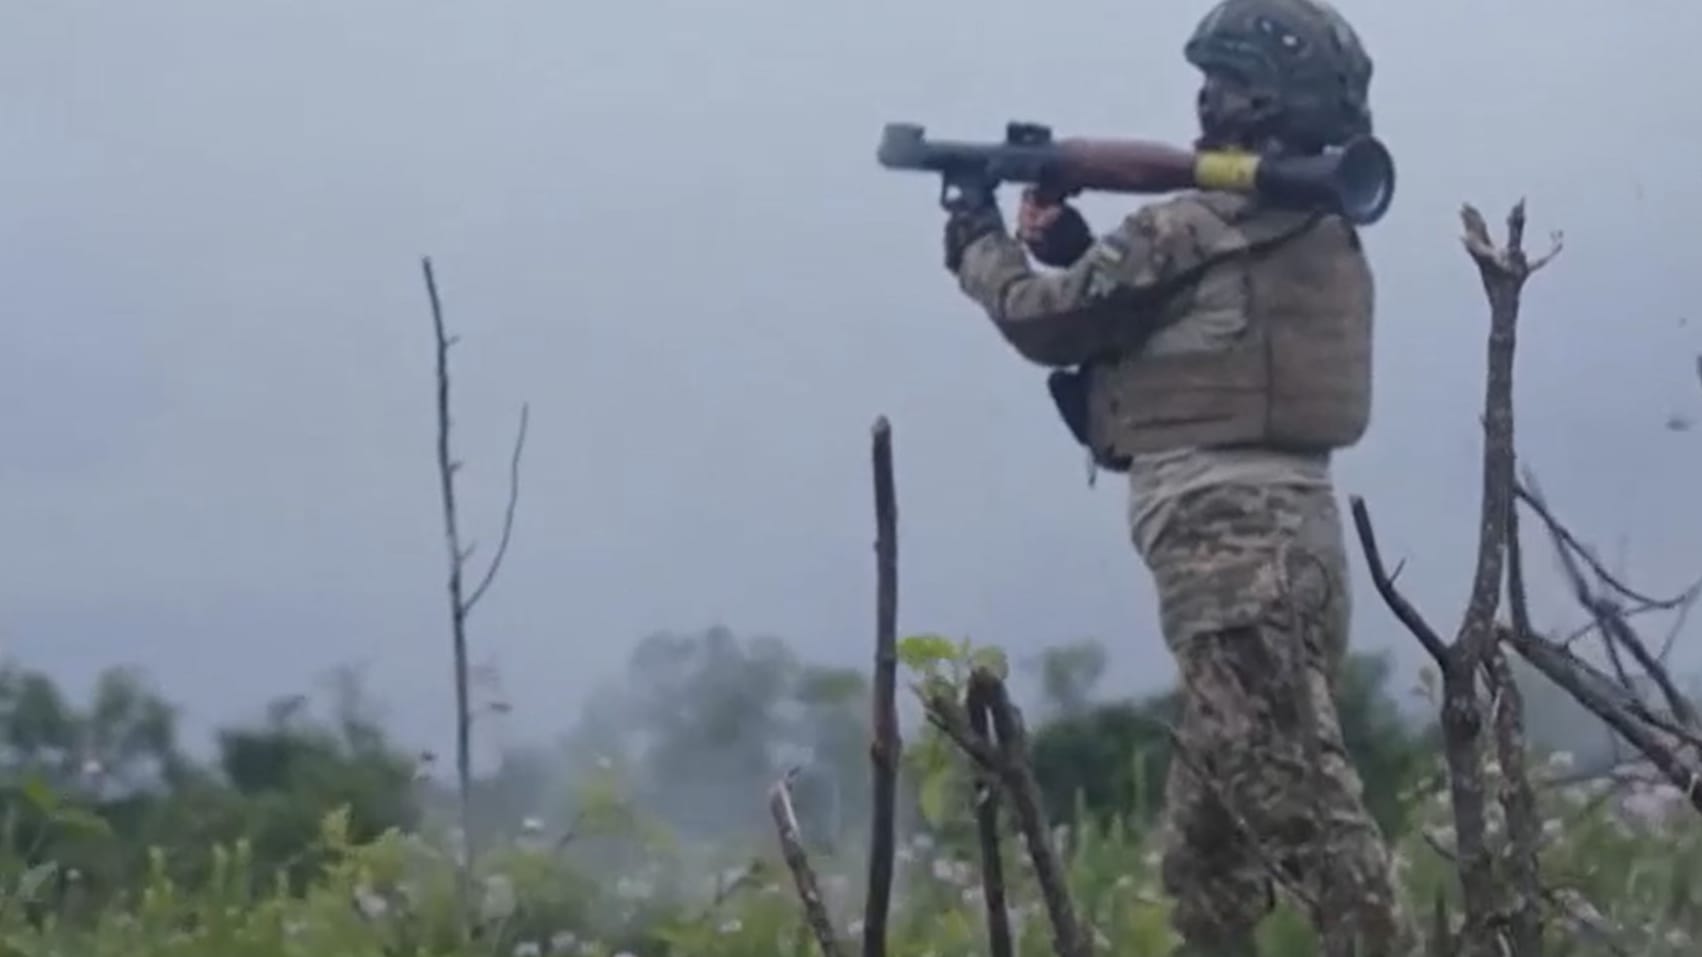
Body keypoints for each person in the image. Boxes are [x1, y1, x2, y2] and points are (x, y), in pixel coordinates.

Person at [939, 1, 1417, 954]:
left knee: (1303, 810)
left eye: (1220, 85)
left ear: (1249, 102)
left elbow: (1048, 321)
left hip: (1225, 537)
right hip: (1296, 528)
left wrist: (975, 242)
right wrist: (1080, 247)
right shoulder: (1320, 223)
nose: (1204, 101)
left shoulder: (1193, 224)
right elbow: (1195, 314)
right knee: (1209, 848)